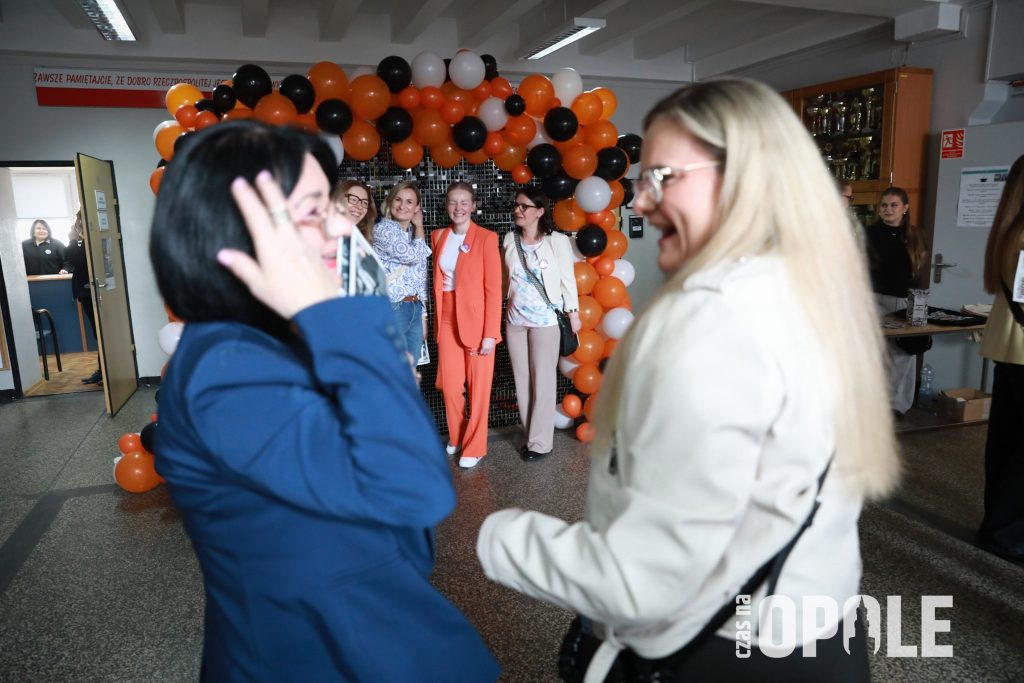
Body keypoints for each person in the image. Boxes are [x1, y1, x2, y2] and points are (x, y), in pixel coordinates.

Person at [476, 78, 899, 681]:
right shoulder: (813, 294)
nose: (641, 203)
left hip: (721, 652)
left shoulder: (708, 323)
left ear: (742, 180)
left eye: (663, 178)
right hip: (822, 637)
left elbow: (643, 580)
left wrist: (496, 538)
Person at [149, 120, 499, 682]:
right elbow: (415, 488)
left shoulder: (286, 340)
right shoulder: (224, 368)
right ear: (239, 228)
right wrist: (345, 318)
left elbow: (406, 535)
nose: (339, 226)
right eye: (316, 211)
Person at [501, 187, 580, 462]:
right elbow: (505, 278)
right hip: (515, 321)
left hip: (545, 321)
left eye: (524, 206)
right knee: (522, 379)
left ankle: (540, 443)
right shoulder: (509, 240)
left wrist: (573, 312)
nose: (518, 210)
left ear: (540, 211)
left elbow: (567, 279)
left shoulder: (557, 241)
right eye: (516, 205)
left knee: (543, 381)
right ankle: (530, 434)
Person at [431, 181, 501, 469]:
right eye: (453, 202)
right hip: (447, 317)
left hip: (477, 321)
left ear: (473, 206)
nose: (458, 207)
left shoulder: (486, 238)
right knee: (449, 385)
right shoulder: (438, 236)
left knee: (479, 387)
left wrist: (490, 333)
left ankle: (476, 445)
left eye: (464, 202)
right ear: (446, 206)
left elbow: (493, 289)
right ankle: (458, 435)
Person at [976, 153, 1024, 562]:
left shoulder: (1009, 230)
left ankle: (997, 525)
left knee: (1006, 440)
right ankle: (1006, 534)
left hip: (1011, 347)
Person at [864, 186, 930, 414]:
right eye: (884, 205)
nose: (888, 209)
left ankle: (897, 404)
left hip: (903, 300)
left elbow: (918, 270)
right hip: (873, 299)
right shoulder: (869, 233)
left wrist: (918, 304)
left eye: (894, 205)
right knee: (876, 353)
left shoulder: (916, 235)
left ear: (905, 208)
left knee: (903, 354)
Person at [373, 180, 429, 359]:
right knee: (394, 366)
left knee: (411, 367)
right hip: (393, 307)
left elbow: (420, 276)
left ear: (417, 207)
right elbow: (413, 257)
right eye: (398, 199)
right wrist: (420, 226)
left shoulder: (413, 234)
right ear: (390, 201)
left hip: (414, 307)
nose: (402, 205)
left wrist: (423, 316)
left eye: (409, 201)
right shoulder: (382, 230)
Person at [64, 211, 101, 384]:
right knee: (97, 333)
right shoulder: (83, 239)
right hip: (85, 292)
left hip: (92, 290)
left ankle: (105, 371)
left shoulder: (91, 237)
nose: (77, 224)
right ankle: (103, 370)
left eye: (79, 220)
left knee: (100, 333)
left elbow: (77, 259)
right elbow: (71, 259)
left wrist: (73, 239)